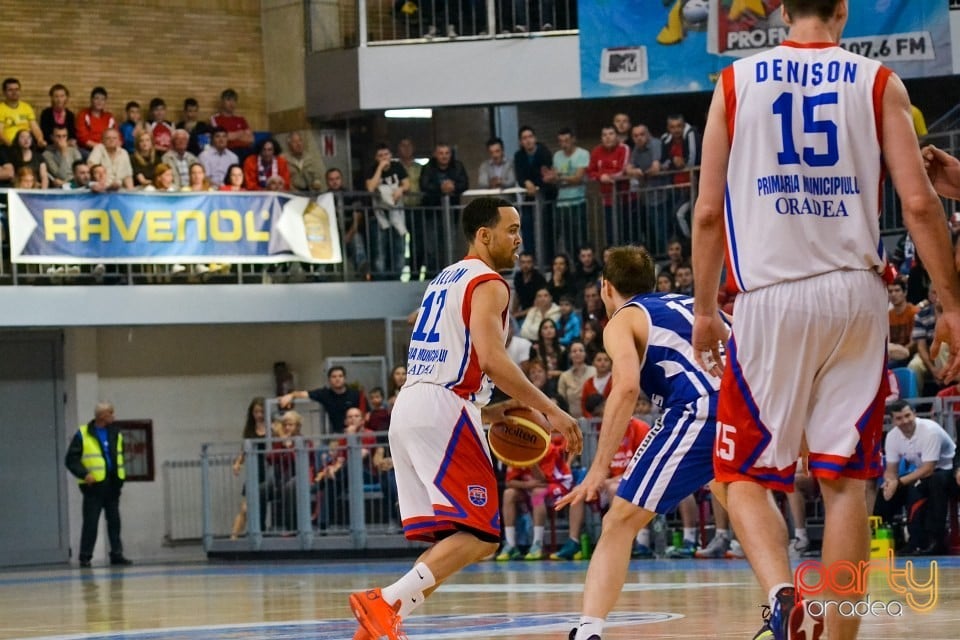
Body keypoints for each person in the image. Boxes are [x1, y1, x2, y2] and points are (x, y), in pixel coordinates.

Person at [690, 2, 960, 639]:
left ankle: (785, 597)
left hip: (769, 296)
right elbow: (919, 201)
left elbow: (705, 214)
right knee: (847, 483)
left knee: (743, 475)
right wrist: (951, 303)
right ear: (843, 9)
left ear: (781, 8)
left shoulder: (734, 83)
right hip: (855, 295)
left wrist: (704, 310)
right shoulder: (877, 81)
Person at [348, 196, 581, 640]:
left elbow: (456, 360)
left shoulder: (443, 278)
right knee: (483, 535)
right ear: (483, 235)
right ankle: (385, 602)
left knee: (457, 538)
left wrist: (487, 411)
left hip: (414, 404)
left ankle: (379, 625)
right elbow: (493, 359)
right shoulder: (490, 282)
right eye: (511, 230)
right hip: (443, 409)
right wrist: (552, 409)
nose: (519, 239)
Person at [558, 246, 722, 640]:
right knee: (746, 507)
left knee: (618, 521)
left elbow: (627, 386)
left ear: (605, 288)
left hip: (697, 409)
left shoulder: (622, 319)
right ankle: (785, 603)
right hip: (745, 406)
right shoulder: (689, 304)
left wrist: (598, 470)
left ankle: (588, 631)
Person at [874, 400, 957, 555]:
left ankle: (934, 540)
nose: (905, 421)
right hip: (924, 474)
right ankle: (890, 535)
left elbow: (928, 469)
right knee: (884, 494)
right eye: (899, 418)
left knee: (925, 485)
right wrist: (889, 484)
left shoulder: (929, 431)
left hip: (948, 472)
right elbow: (891, 470)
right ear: (892, 421)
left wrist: (897, 482)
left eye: (907, 416)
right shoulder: (892, 436)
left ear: (914, 414)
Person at [64, 402, 132, 568]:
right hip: (93, 486)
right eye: (111, 413)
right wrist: (84, 474)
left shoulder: (116, 433)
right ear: (102, 415)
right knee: (91, 522)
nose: (113, 416)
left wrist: (120, 479)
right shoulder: (84, 433)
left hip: (113, 484)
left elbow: (119, 456)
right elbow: (71, 459)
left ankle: (117, 554)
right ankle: (85, 556)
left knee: (114, 521)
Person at [279, 366, 367, 434]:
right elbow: (303, 394)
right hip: (337, 435)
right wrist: (290, 395)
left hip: (359, 433)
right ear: (329, 380)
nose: (337, 379)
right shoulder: (325, 394)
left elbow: (367, 415)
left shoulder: (356, 394)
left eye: (340, 376)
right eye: (334, 376)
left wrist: (356, 427)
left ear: (345, 378)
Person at [230, 397, 269, 539]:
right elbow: (244, 450)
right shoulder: (250, 430)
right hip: (255, 470)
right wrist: (238, 463)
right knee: (245, 508)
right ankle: (233, 538)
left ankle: (261, 533)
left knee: (263, 504)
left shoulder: (273, 427)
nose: (259, 415)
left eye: (262, 412)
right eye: (256, 412)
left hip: (269, 469)